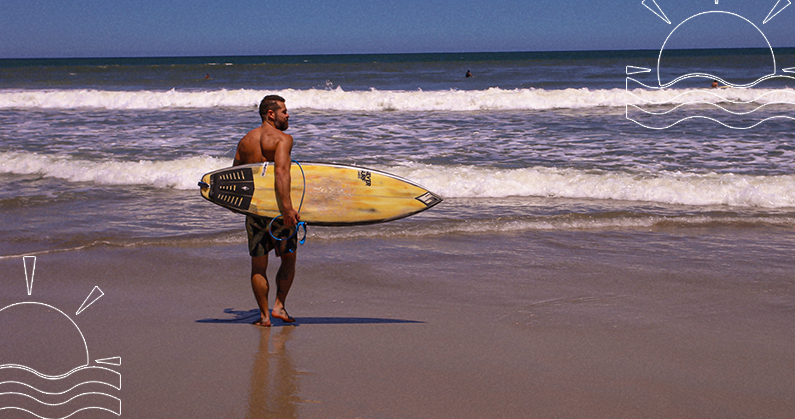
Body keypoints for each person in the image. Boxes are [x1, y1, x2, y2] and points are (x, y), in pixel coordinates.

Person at [233, 95, 300, 327]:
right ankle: (279, 307)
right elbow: (281, 172)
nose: (287, 115)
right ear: (271, 114)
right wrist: (288, 209)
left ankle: (263, 316)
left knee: (258, 265)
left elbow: (235, 177)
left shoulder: (245, 141)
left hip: (254, 210)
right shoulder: (283, 139)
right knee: (289, 259)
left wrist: (240, 207)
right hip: (278, 211)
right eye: (284, 111)